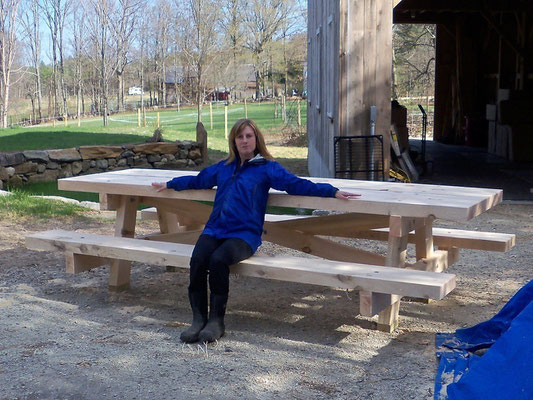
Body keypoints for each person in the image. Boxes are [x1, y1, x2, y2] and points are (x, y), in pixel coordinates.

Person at [152, 119, 360, 344]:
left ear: (256, 139)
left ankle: (216, 322)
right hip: (215, 229)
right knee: (199, 259)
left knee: (219, 260)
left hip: (244, 235)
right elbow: (199, 180)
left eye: (248, 136)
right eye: (239, 137)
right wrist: (171, 183)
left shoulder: (267, 168)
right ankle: (197, 320)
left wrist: (332, 191)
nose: (244, 141)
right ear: (234, 141)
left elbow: (296, 184)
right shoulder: (224, 167)